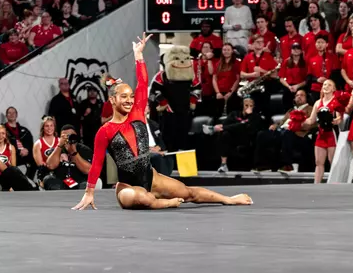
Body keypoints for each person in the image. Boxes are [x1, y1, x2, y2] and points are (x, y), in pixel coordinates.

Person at [73, 34, 253, 210]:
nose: (129, 100)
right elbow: (97, 163)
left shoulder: (136, 113)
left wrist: (138, 56)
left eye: (131, 97)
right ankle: (164, 202)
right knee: (139, 197)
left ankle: (228, 199)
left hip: (152, 178)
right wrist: (89, 192)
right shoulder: (105, 130)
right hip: (127, 187)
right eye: (124, 97)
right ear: (112, 100)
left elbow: (143, 83)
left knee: (188, 192)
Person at [303, 80, 343, 184]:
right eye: (324, 84)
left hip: (332, 133)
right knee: (318, 162)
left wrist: (337, 120)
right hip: (321, 134)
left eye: (329, 85)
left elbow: (339, 117)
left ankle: (335, 184)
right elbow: (311, 120)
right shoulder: (317, 102)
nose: (326, 86)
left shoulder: (336, 101)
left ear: (333, 89)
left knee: (332, 162)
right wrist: (300, 121)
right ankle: (316, 185)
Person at [0, 125, 36, 191]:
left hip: (7, 177)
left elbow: (13, 168)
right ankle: (32, 188)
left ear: (6, 135)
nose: (0, 136)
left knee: (14, 171)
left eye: (3, 133)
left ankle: (31, 189)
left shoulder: (11, 148)